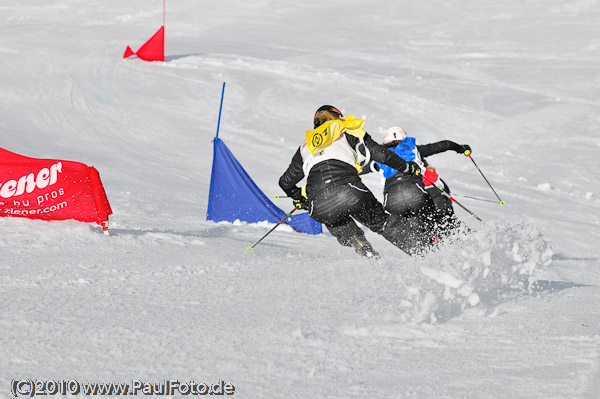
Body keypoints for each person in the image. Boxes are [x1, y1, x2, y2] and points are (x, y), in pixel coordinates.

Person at [278, 105, 429, 258]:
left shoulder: (305, 146)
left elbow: (285, 183)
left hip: (318, 204)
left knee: (334, 218)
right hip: (349, 191)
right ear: (337, 117)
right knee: (384, 224)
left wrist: (300, 200)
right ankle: (426, 254)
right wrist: (407, 167)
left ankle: (365, 251)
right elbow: (381, 155)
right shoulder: (346, 129)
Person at [375, 126, 471, 240]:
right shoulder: (413, 149)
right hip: (414, 191)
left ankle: (425, 249)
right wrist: (461, 148)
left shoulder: (380, 156)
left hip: (391, 200)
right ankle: (459, 238)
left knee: (414, 231)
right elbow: (445, 144)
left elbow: (359, 168)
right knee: (435, 220)